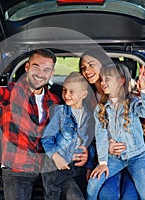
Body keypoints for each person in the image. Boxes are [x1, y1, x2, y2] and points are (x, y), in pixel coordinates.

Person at [0, 49, 88, 200]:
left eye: (46, 69)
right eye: (36, 67)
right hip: (18, 168)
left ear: (52, 73)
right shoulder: (11, 92)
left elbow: (76, 123)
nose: (40, 74)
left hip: (50, 166)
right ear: (27, 67)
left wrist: (84, 149)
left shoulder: (56, 99)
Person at [86, 63, 145, 200]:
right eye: (102, 79)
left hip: (137, 157)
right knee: (92, 185)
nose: (102, 82)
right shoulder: (101, 109)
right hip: (114, 159)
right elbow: (100, 135)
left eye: (108, 78)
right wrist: (102, 163)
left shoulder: (133, 102)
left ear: (121, 81)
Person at [79, 48, 140, 199]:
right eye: (83, 68)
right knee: (108, 195)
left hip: (134, 156)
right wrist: (104, 149)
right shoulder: (86, 97)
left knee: (129, 197)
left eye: (91, 64)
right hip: (105, 159)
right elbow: (88, 133)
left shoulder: (129, 90)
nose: (87, 71)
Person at [41, 72, 95, 200]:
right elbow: (47, 138)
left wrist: (89, 166)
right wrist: (56, 157)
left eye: (72, 91)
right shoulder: (60, 112)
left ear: (84, 94)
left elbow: (89, 144)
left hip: (76, 169)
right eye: (64, 90)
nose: (66, 95)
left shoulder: (89, 116)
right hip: (55, 168)